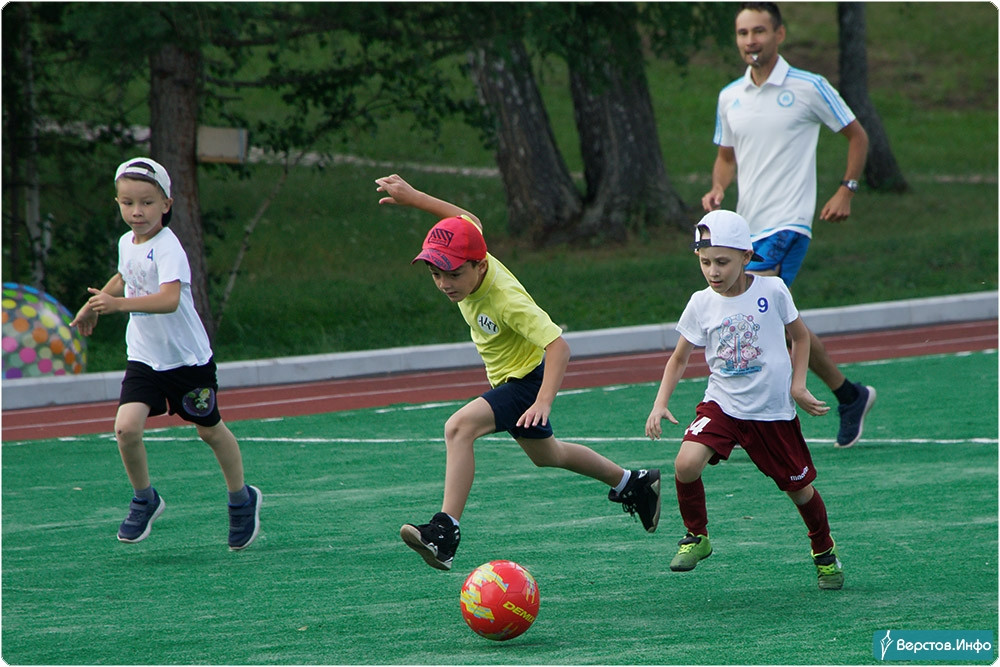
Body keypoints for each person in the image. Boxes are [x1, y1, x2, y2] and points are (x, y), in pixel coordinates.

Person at [375, 173, 661, 571]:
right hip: (510, 379)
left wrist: (543, 401)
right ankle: (634, 483)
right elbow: (468, 218)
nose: (444, 284)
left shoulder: (507, 301)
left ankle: (445, 531)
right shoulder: (472, 249)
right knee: (548, 455)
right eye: (436, 274)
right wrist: (415, 197)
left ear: (479, 265)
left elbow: (559, 347)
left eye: (453, 274)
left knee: (458, 428)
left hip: (526, 381)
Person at [701, 1, 876, 448]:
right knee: (776, 319)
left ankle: (750, 421)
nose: (751, 40)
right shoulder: (729, 96)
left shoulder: (808, 86)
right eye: (743, 33)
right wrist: (718, 188)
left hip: (789, 223)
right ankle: (849, 395)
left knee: (753, 312)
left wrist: (847, 189)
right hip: (748, 229)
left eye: (759, 31)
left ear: (779, 34)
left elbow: (857, 135)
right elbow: (725, 158)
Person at [645, 209, 843, 590]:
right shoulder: (701, 303)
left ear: (746, 257)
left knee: (800, 491)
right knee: (685, 463)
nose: (713, 271)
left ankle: (824, 551)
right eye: (705, 262)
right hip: (722, 405)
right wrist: (660, 403)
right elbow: (679, 358)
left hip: (771, 413)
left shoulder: (773, 291)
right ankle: (696, 535)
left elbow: (801, 337)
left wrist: (798, 386)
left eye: (722, 262)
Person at [70, 157, 261, 550]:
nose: (137, 212)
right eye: (127, 203)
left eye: (146, 203)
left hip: (186, 360)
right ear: (118, 203)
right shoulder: (127, 242)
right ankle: (145, 499)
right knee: (126, 429)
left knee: (209, 430)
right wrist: (95, 303)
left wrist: (118, 306)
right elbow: (126, 275)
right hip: (145, 358)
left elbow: (169, 299)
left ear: (166, 204)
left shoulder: (169, 247)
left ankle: (241, 499)